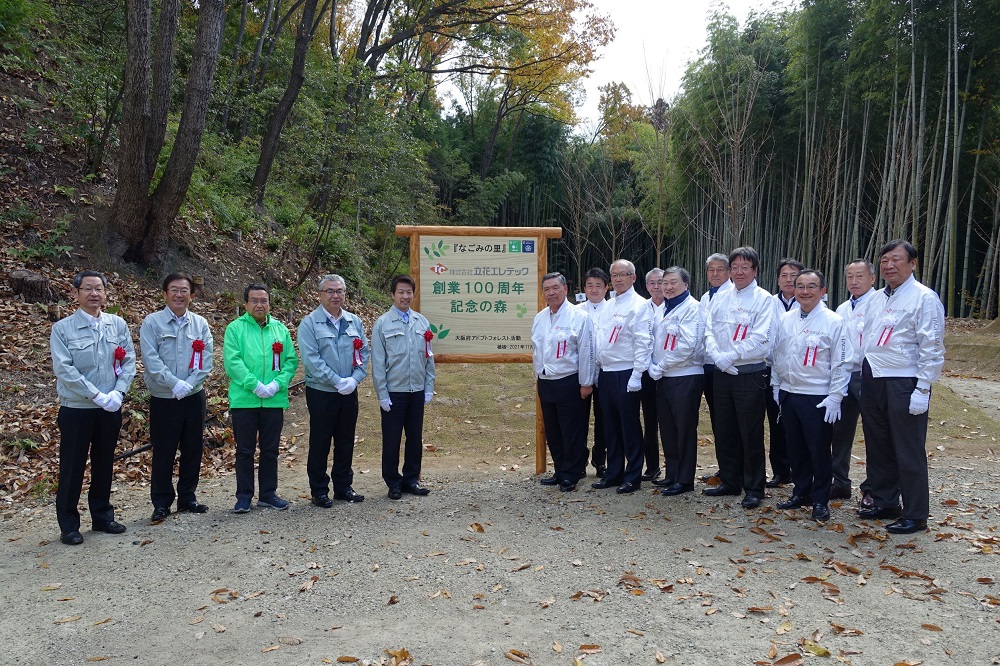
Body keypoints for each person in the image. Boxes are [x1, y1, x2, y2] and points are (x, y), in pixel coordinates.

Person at [856, 240, 945, 534]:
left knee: (908, 449)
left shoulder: (924, 298)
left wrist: (922, 388)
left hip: (904, 380)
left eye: (896, 259)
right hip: (873, 377)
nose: (889, 265)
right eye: (884, 261)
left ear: (912, 263)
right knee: (878, 445)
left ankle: (916, 513)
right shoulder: (877, 298)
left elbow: (931, 345)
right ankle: (885, 501)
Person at [50, 270, 136, 545]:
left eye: (98, 288)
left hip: (110, 407)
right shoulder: (62, 329)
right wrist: (96, 394)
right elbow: (64, 369)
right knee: (73, 465)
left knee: (104, 463)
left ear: (105, 293)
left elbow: (129, 361)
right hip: (77, 408)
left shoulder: (117, 324)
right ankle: (69, 524)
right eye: (87, 289)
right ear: (76, 293)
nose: (94, 293)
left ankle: (102, 516)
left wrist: (118, 393)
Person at [770, 270, 851, 522]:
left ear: (823, 290)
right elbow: (777, 354)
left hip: (817, 395)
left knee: (818, 449)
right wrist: (776, 385)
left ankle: (820, 499)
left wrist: (836, 395)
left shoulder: (833, 321)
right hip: (789, 392)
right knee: (795, 448)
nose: (805, 291)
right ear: (794, 290)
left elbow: (842, 362)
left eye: (812, 286)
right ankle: (801, 491)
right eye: (800, 286)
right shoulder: (786, 319)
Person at [703, 247, 775, 509]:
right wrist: (716, 356)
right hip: (721, 373)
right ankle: (730, 480)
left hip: (749, 374)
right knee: (724, 429)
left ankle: (754, 486)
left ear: (755, 270)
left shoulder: (764, 299)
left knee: (750, 431)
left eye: (746, 267)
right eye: (735, 267)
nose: (740, 272)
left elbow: (761, 338)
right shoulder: (721, 297)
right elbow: (708, 329)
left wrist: (731, 355)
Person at [140, 272, 213, 523]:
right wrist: (174, 384)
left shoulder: (200, 324)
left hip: (193, 397)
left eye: (184, 290)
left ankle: (187, 498)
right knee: (164, 451)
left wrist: (190, 384)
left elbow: (205, 361)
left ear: (191, 295)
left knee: (193, 448)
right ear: (165, 294)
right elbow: (151, 360)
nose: (179, 294)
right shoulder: (152, 323)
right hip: (164, 397)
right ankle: (161, 503)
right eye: (174, 289)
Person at [223, 284, 298, 513]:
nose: (259, 305)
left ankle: (267, 493)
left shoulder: (280, 329)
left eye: (263, 300)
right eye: (254, 300)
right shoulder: (235, 329)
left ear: (269, 303)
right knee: (244, 450)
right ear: (245, 304)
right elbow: (232, 362)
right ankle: (244, 496)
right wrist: (254, 385)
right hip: (245, 400)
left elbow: (291, 361)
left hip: (273, 400)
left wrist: (277, 384)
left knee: (270, 449)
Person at [298, 274, 369, 507]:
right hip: (322, 392)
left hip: (349, 391)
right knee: (320, 441)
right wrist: (337, 380)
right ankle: (319, 490)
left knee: (346, 439)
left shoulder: (354, 322)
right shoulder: (310, 323)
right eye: (330, 291)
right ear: (320, 295)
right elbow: (312, 359)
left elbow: (364, 354)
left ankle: (343, 486)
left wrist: (355, 379)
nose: (335, 295)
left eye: (339, 291)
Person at [372, 275, 436, 500]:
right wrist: (382, 393)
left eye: (409, 292)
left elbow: (429, 357)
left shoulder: (421, 322)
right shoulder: (382, 324)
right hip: (394, 393)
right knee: (391, 439)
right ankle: (393, 482)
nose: (405, 296)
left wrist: (429, 386)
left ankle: (411, 479)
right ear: (392, 294)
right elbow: (378, 362)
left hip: (416, 390)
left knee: (414, 437)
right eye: (401, 292)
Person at [591, 259, 652, 494]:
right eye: (614, 275)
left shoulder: (639, 305)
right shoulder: (608, 304)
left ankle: (633, 475)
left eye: (623, 274)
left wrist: (637, 374)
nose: (618, 279)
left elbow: (643, 342)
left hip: (627, 372)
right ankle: (613, 472)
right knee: (610, 426)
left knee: (629, 426)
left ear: (633, 278)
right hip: (607, 372)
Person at [532, 272, 597, 492]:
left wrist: (586, 383)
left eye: (555, 288)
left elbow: (588, 351)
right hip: (546, 380)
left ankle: (572, 473)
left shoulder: (579, 317)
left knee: (572, 430)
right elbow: (538, 349)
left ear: (565, 289)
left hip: (570, 381)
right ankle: (560, 470)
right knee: (553, 431)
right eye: (547, 289)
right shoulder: (540, 317)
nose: (551, 293)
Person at [648, 267, 704, 496]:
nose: (668, 287)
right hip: (663, 377)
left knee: (684, 429)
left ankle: (685, 479)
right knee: (668, 428)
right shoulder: (663, 308)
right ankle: (671, 473)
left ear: (686, 285)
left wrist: (660, 366)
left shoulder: (693, 308)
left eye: (673, 283)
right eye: (665, 283)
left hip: (685, 375)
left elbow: (688, 345)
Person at [831, 259, 877, 502]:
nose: (854, 281)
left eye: (860, 276)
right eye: (850, 277)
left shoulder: (880, 303)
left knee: (873, 432)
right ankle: (839, 481)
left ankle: (872, 487)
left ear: (872, 278)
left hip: (869, 375)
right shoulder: (841, 309)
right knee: (839, 430)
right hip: (844, 375)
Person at [765, 258, 805, 488]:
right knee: (775, 421)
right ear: (777, 279)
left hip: (799, 372)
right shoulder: (768, 303)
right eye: (784, 276)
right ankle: (781, 470)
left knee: (797, 423)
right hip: (769, 369)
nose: (789, 280)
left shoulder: (810, 303)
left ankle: (800, 471)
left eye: (794, 276)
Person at [698, 253, 733, 482]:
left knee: (731, 421)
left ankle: (736, 469)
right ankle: (725, 467)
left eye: (720, 269)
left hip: (728, 364)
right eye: (711, 270)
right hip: (708, 366)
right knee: (718, 420)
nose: (715, 274)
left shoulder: (734, 295)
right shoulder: (704, 297)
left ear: (729, 271)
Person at [581, 268, 610, 478]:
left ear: (606, 288)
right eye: (590, 285)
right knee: (579, 419)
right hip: (581, 374)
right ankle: (579, 461)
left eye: (598, 285)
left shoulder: (613, 310)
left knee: (604, 420)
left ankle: (600, 461)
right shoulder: (576, 311)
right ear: (584, 288)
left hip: (606, 373)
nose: (594, 289)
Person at [640, 268, 664, 481]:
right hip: (646, 371)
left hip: (668, 371)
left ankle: (675, 467)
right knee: (649, 420)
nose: (657, 287)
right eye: (653, 283)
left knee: (667, 421)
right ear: (646, 286)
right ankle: (652, 466)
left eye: (660, 282)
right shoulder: (641, 308)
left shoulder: (675, 306)